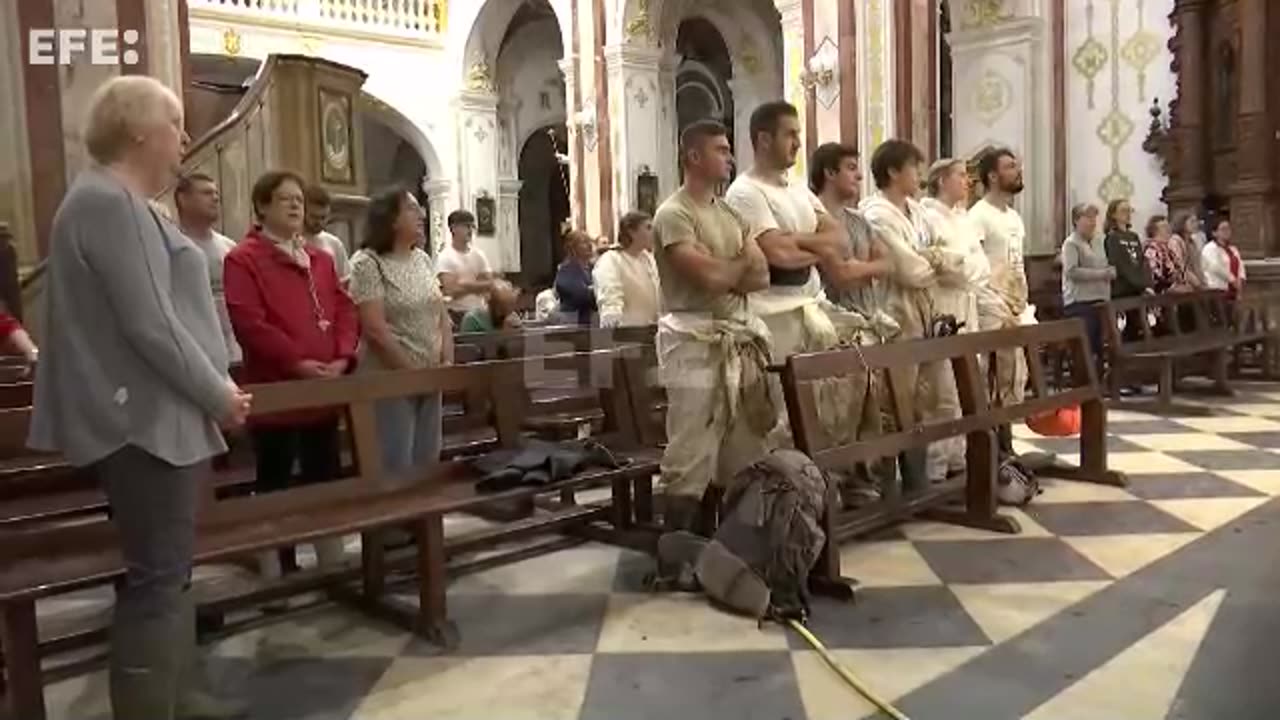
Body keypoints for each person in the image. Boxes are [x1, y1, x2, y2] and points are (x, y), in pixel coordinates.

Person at [28, 75, 251, 720]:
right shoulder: (106, 203)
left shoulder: (120, 203)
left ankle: (174, 695)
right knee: (157, 579)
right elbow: (149, 324)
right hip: (141, 421)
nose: (184, 138)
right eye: (175, 124)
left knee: (171, 573)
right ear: (137, 130)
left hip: (157, 416)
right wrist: (219, 394)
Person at [224, 170, 359, 577]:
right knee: (276, 483)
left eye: (299, 198)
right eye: (285, 199)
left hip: (323, 390)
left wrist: (342, 357)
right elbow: (250, 323)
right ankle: (276, 566)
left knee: (324, 476)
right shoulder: (242, 259)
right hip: (277, 391)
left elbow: (344, 311)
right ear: (262, 206)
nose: (296, 205)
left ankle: (330, 558)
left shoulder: (319, 259)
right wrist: (297, 364)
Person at [651, 119, 774, 534]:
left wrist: (726, 267)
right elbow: (710, 280)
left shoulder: (730, 212)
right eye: (721, 150)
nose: (729, 156)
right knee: (692, 444)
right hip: (693, 338)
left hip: (737, 334)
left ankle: (723, 539)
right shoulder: (674, 214)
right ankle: (677, 552)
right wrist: (734, 265)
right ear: (694, 157)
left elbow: (762, 276)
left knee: (740, 443)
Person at [860, 140, 963, 486]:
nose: (920, 175)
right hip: (897, 313)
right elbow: (908, 270)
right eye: (914, 168)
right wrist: (932, 259)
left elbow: (955, 260)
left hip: (930, 312)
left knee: (940, 395)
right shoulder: (875, 214)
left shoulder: (917, 210)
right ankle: (895, 479)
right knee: (898, 401)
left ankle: (933, 475)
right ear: (892, 171)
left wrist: (931, 258)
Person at [809, 142, 896, 503]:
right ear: (829, 173)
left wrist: (857, 269)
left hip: (868, 324)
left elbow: (888, 262)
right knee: (833, 411)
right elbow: (838, 278)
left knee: (869, 409)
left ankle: (862, 477)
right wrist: (862, 270)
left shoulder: (859, 221)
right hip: (833, 328)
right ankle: (832, 483)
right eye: (850, 168)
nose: (859, 175)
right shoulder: (812, 218)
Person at [348, 187, 452, 473]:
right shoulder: (367, 263)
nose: (421, 214)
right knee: (396, 464)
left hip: (431, 376)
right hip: (390, 377)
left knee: (427, 461)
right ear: (391, 219)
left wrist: (446, 363)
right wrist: (413, 375)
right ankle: (397, 518)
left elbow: (440, 315)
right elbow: (375, 330)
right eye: (411, 208)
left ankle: (424, 517)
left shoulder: (421, 259)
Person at [920, 157, 992, 480]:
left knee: (967, 384)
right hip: (943, 306)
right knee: (941, 389)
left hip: (968, 305)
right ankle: (934, 465)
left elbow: (981, 267)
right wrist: (962, 266)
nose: (968, 182)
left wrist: (963, 266)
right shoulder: (927, 216)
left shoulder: (963, 220)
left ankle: (959, 459)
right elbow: (941, 267)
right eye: (961, 176)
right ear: (940, 181)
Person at [967, 147, 1029, 455]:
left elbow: (1016, 263)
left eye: (1017, 165)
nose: (1018, 170)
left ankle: (1007, 445)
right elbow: (975, 266)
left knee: (1012, 376)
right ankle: (989, 448)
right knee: (988, 377)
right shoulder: (978, 215)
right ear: (992, 176)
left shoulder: (1014, 217)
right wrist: (993, 303)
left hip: (1014, 304)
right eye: (1010, 166)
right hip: (989, 307)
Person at [175, 172, 242, 365]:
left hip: (234, 350)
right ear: (183, 199)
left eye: (216, 194)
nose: (215, 198)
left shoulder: (230, 247)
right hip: (193, 351)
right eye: (206, 193)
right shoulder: (170, 246)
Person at [1059, 203, 1115, 376]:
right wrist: (1101, 274)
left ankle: (1100, 381)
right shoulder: (1071, 243)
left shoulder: (1099, 241)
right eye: (1088, 218)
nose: (1092, 222)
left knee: (1102, 344)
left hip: (1101, 299)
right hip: (1080, 302)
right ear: (1076, 221)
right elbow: (1072, 271)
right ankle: (1084, 382)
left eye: (1094, 218)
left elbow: (1105, 263)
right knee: (1086, 346)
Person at [594, 211, 661, 328]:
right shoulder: (611, 260)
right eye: (648, 228)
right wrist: (612, 320)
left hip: (652, 330)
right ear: (632, 232)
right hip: (627, 333)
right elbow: (610, 295)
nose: (653, 233)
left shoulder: (649, 259)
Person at [437, 209, 494, 322]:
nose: (470, 230)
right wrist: (477, 285)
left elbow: (489, 285)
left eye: (472, 226)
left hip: (480, 312)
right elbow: (451, 291)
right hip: (457, 314)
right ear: (453, 229)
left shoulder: (479, 255)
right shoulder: (445, 257)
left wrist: (465, 284)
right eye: (466, 226)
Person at [303, 184, 352, 284]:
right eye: (314, 217)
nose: (319, 222)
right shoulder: (291, 241)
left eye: (323, 218)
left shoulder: (334, 244)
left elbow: (344, 280)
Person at [1144, 214, 1197, 294]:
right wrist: (1172, 287)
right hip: (1161, 294)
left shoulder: (1169, 249)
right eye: (1164, 227)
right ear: (1154, 230)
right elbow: (1155, 276)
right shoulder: (1151, 250)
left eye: (1168, 226)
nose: (1168, 229)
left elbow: (1180, 269)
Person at [555, 230, 599, 325]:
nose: (589, 245)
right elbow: (580, 295)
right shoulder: (567, 269)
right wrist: (597, 290)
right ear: (572, 247)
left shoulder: (594, 268)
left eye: (589, 242)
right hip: (573, 322)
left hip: (593, 321)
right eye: (584, 242)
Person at [1202, 216, 1245, 300]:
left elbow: (1240, 266)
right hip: (1218, 288)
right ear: (1214, 233)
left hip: (1235, 289)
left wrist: (1240, 279)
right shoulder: (1210, 248)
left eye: (1228, 229)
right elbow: (1216, 267)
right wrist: (1232, 280)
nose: (1227, 232)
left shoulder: (1233, 249)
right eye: (1223, 229)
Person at [460, 279, 524, 333]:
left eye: (508, 308)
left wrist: (517, 330)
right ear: (490, 303)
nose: (504, 313)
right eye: (500, 307)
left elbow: (522, 344)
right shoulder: (473, 319)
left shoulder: (512, 317)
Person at [1175, 211, 1208, 285]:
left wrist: (1202, 280)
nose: (1195, 224)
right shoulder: (1176, 241)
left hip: (1195, 281)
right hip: (1182, 282)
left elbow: (1197, 264)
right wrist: (1194, 280)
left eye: (1196, 221)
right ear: (1182, 223)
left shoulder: (1192, 242)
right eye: (1192, 222)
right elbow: (1179, 264)